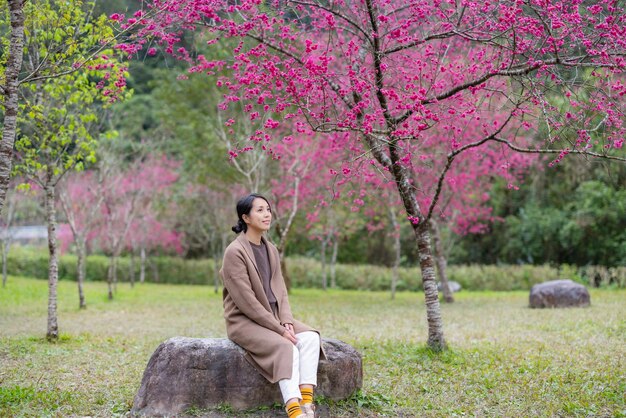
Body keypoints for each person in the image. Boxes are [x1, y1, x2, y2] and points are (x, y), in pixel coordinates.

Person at [220, 193, 324, 418]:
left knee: (310, 338)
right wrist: (280, 330)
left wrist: (285, 320)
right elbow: (247, 303)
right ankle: (294, 411)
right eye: (260, 210)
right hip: (245, 321)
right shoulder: (234, 252)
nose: (267, 214)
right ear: (245, 217)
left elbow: (281, 290)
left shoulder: (271, 249)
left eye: (267, 209)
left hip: (275, 317)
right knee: (285, 346)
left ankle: (307, 404)